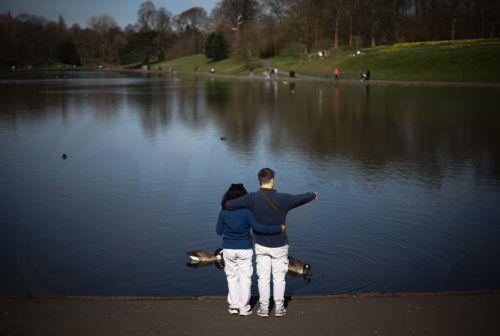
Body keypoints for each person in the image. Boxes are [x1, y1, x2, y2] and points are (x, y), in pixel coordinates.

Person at [226, 168, 317, 317]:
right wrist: (312, 195)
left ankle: (263, 308)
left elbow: (229, 204)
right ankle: (279, 308)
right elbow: (300, 198)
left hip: (261, 245)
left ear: (259, 181)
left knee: (263, 278)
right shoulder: (283, 199)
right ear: (273, 180)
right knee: (279, 278)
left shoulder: (251, 199)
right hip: (280, 245)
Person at [216, 183, 285, 317]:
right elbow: (258, 228)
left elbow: (218, 231)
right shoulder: (247, 212)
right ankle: (244, 307)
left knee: (232, 277)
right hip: (245, 248)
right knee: (245, 278)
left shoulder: (223, 211)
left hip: (228, 248)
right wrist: (277, 229)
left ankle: (233, 306)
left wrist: (229, 227)